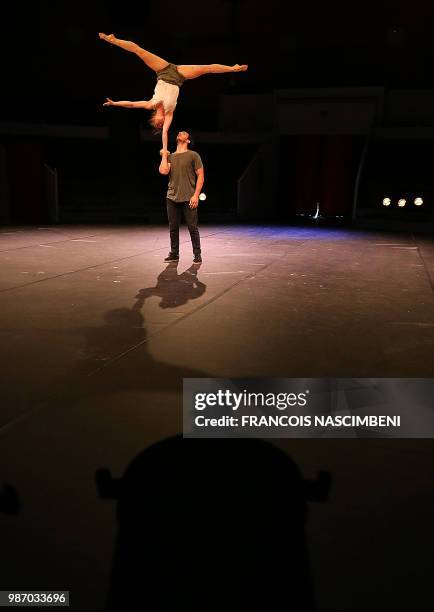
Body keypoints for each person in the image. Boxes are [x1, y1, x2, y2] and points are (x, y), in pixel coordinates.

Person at [99, 33, 247, 152]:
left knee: (140, 51)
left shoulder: (150, 104)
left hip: (163, 70)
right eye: (162, 123)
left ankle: (114, 40)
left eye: (158, 122)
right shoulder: (169, 112)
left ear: (154, 118)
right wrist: (164, 152)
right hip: (178, 76)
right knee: (206, 68)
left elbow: (131, 104)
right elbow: (165, 134)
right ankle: (233, 68)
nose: (161, 121)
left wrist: (114, 103)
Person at [159, 131, 204, 264]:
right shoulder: (171, 156)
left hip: (188, 197)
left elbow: (201, 176)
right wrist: (164, 156)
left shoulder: (193, 155)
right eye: (179, 132)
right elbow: (163, 171)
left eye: (184, 133)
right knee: (173, 227)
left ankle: (197, 254)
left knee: (192, 227)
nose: (180, 133)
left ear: (188, 140)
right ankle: (174, 253)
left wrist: (195, 195)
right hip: (172, 197)